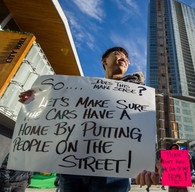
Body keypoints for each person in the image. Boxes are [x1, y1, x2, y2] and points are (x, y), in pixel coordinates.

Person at [19, 47, 158, 191]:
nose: (124, 59)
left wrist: (149, 159)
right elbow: (56, 112)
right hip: (72, 168)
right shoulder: (83, 91)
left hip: (112, 172)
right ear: (104, 61)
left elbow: (145, 125)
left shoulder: (137, 91)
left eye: (127, 59)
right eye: (118, 54)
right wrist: (36, 100)